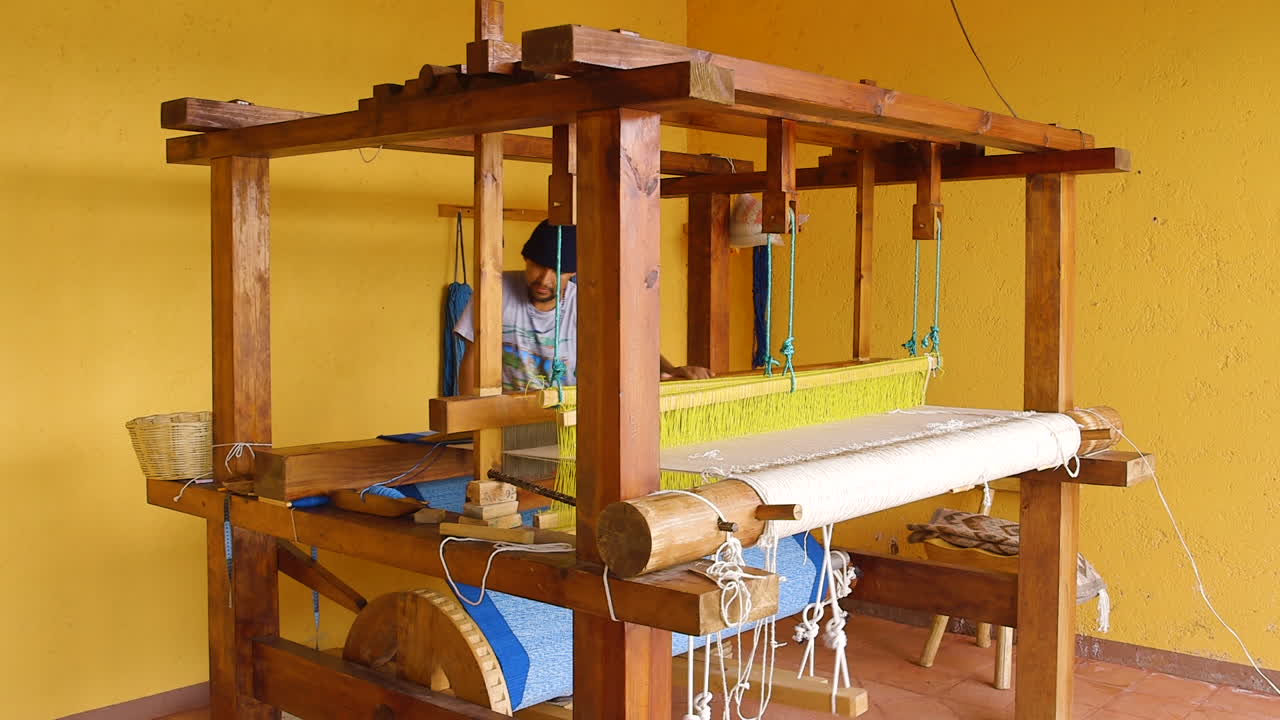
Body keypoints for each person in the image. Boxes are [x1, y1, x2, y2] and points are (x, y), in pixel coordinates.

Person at [455, 220, 712, 394]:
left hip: (569, 421)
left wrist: (671, 370)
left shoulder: (587, 305)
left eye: (557, 272)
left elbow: (631, 346)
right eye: (536, 266)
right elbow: (472, 360)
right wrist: (468, 424)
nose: (544, 280)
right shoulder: (496, 293)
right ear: (525, 259)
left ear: (573, 272)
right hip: (507, 421)